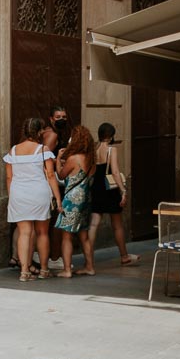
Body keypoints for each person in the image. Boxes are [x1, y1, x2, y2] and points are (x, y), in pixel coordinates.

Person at [4, 117, 63, 282]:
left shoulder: (13, 151)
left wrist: (12, 196)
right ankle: (44, 269)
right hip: (39, 192)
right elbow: (50, 175)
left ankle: (24, 271)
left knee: (24, 232)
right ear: (39, 132)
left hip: (18, 193)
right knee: (42, 232)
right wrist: (58, 198)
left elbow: (9, 177)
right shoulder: (43, 150)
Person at [88, 123, 139, 266]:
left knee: (93, 224)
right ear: (110, 136)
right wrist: (123, 191)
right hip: (109, 188)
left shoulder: (94, 149)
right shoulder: (112, 150)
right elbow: (115, 172)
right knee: (117, 225)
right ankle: (124, 256)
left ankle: (89, 259)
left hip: (97, 187)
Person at [54, 124, 96, 277]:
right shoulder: (91, 159)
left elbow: (61, 175)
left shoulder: (74, 158)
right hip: (86, 200)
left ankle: (67, 270)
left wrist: (58, 159)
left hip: (72, 200)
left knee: (67, 236)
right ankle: (89, 267)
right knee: (84, 236)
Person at [44, 105, 69, 268]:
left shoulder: (49, 132)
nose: (61, 120)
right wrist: (59, 161)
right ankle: (53, 258)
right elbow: (43, 156)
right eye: (58, 117)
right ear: (51, 119)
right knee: (55, 222)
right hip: (50, 183)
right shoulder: (52, 135)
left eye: (64, 117)